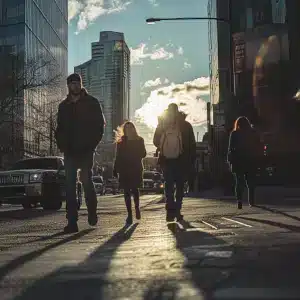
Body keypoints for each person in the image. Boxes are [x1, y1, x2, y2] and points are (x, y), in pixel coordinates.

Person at [55, 73, 105, 233]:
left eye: (77, 83)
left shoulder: (92, 103)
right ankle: (72, 222)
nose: (74, 86)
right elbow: (59, 128)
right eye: (71, 84)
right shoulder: (63, 106)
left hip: (86, 150)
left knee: (86, 181)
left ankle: (92, 212)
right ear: (68, 86)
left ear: (81, 84)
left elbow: (100, 126)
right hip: (69, 151)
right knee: (70, 186)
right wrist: (61, 144)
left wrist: (91, 145)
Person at [153, 103, 196, 222]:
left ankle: (170, 211)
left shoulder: (162, 125)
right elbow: (192, 145)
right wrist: (191, 161)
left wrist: (164, 144)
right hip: (182, 160)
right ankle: (177, 210)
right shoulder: (186, 125)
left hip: (166, 160)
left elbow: (155, 141)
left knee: (169, 185)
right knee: (180, 186)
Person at [113, 121, 147, 225]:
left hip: (136, 168)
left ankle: (137, 208)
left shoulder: (139, 140)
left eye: (131, 128)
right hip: (124, 169)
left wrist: (136, 149)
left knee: (135, 189)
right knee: (126, 191)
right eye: (126, 129)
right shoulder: (121, 142)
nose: (129, 130)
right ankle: (129, 214)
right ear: (124, 130)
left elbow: (144, 154)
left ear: (134, 129)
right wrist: (115, 169)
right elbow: (118, 156)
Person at [227, 116, 263, 209]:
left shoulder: (234, 134)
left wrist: (230, 161)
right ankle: (251, 201)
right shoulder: (253, 133)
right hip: (251, 161)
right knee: (251, 182)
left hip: (238, 161)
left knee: (239, 182)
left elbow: (230, 149)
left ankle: (239, 201)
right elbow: (259, 146)